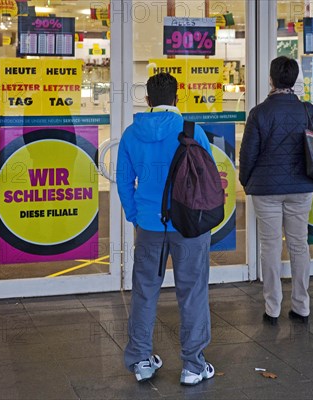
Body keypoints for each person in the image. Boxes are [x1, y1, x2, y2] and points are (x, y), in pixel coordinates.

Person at [116, 72, 215, 386]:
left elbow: (122, 181)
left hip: (149, 225)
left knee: (145, 292)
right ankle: (193, 366)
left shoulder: (131, 134)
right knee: (193, 293)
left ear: (147, 100)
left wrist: (136, 215)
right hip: (189, 226)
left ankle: (142, 360)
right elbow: (210, 178)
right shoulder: (191, 131)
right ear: (176, 98)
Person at [239, 56, 313, 325]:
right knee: (299, 245)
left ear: (271, 78)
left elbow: (248, 154)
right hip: (301, 187)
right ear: (295, 79)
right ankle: (301, 306)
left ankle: (272, 307)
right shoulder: (308, 111)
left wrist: (246, 181)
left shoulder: (260, 113)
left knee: (270, 246)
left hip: (265, 189)